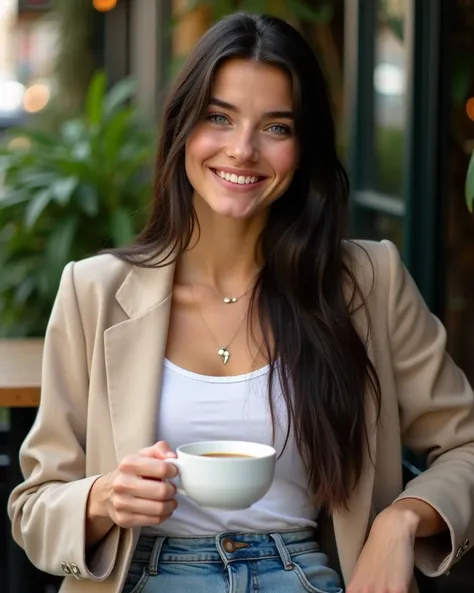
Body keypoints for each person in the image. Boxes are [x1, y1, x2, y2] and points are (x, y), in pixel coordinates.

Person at [7, 11, 474, 593]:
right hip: (142, 576)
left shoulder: (366, 281)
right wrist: (103, 499)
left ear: (303, 149)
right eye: (218, 117)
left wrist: (402, 521)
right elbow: (33, 509)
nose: (243, 149)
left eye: (276, 127)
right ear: (183, 128)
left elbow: (466, 444)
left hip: (304, 574)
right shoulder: (93, 290)